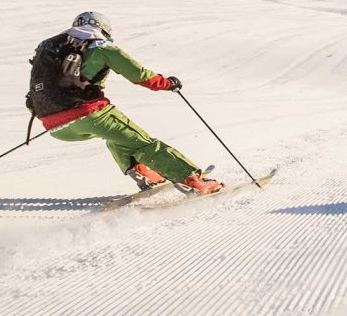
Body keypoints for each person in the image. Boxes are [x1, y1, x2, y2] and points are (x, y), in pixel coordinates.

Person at [26, 11, 222, 193]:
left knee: (116, 136)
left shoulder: (51, 49)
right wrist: (168, 83)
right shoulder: (99, 46)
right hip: (87, 112)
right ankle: (191, 180)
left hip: (54, 125)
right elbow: (139, 75)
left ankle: (142, 173)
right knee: (143, 142)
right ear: (103, 28)